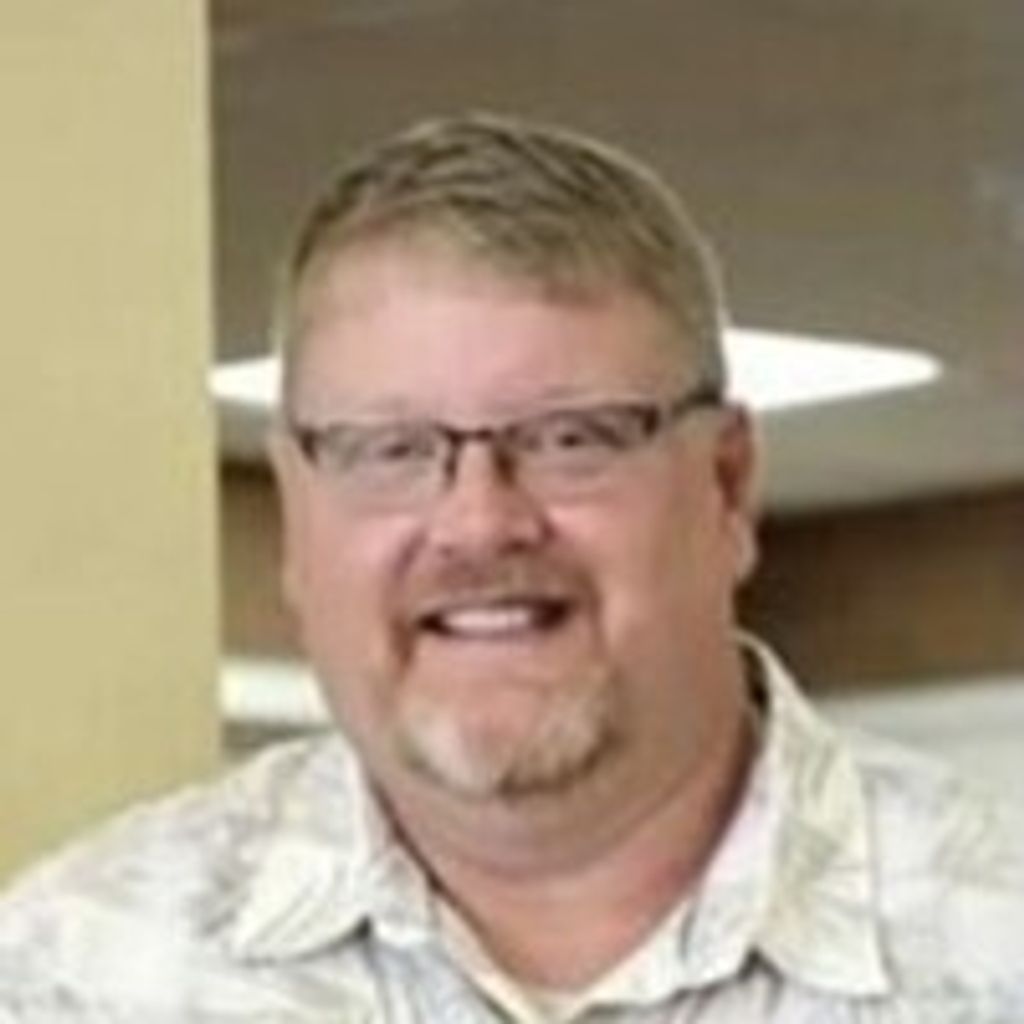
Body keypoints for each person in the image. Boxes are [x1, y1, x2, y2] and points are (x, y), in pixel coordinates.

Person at [1, 113, 1022, 1023]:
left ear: (726, 483)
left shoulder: (994, 937)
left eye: (570, 438)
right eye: (389, 450)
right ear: (297, 513)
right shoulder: (75, 969)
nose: (478, 523)